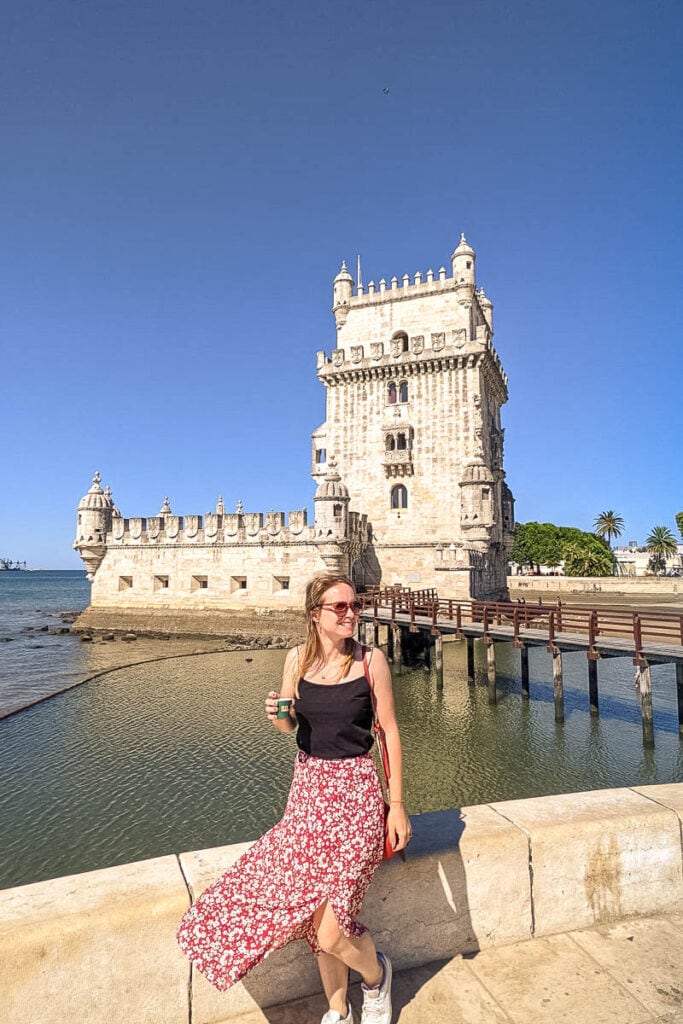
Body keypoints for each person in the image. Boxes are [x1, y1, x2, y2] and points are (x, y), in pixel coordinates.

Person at [176, 571, 411, 1024]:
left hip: (356, 797)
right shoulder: (295, 661)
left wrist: (396, 806)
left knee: (333, 929)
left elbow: (391, 733)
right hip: (306, 796)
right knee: (302, 914)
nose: (350, 614)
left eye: (354, 606)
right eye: (339, 607)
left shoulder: (370, 661)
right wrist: (276, 716)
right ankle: (338, 1009)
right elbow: (290, 726)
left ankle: (377, 977)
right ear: (315, 615)